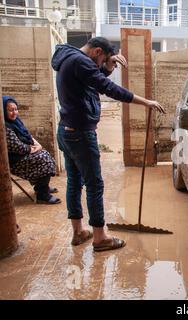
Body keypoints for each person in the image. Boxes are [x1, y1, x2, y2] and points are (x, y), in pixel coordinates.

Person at [51, 37, 165, 251]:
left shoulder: (69, 58)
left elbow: (93, 79)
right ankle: (100, 237)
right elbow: (108, 88)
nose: (101, 65)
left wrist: (109, 66)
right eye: (103, 59)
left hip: (66, 130)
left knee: (75, 182)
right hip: (81, 135)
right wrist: (146, 101)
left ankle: (78, 232)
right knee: (94, 184)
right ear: (96, 52)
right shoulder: (80, 61)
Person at [3, 96, 61, 205]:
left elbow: (28, 135)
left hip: (23, 154)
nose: (14, 112)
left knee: (44, 154)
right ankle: (42, 195)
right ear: (3, 111)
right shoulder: (5, 127)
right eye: (10, 110)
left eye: (16, 109)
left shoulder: (16, 122)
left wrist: (37, 145)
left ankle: (41, 187)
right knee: (44, 159)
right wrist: (33, 148)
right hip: (14, 160)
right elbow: (18, 147)